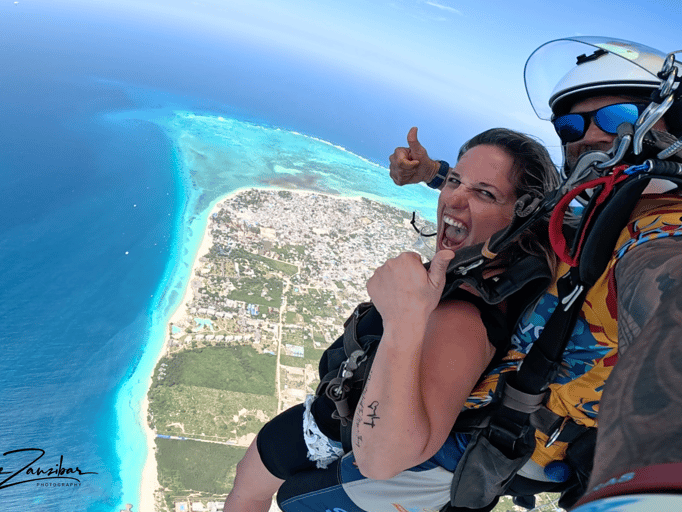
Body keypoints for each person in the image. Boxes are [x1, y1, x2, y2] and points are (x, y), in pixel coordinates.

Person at [389, 37, 682, 511]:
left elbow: (666, 293)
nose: (588, 136)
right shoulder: (598, 211)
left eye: (615, 118)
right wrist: (432, 173)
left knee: (305, 494)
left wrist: (651, 488)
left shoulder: (660, 227)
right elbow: (525, 206)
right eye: (570, 125)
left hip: (495, 444)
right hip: (478, 410)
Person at [224, 127, 561, 512]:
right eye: (454, 181)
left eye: (484, 193)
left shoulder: (464, 316)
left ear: (524, 216)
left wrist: (403, 321)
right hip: (337, 423)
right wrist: (432, 172)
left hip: (331, 433)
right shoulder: (494, 274)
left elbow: (381, 461)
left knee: (247, 492)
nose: (453, 197)